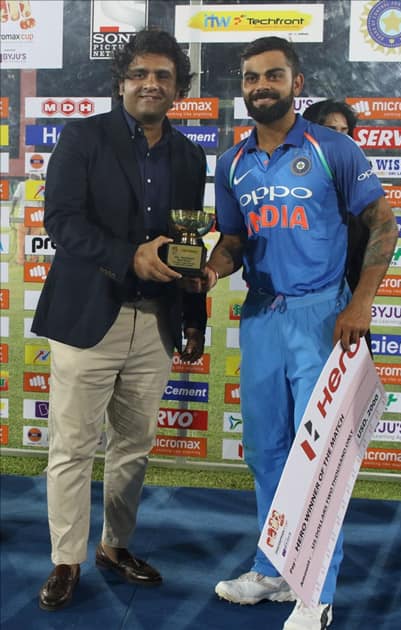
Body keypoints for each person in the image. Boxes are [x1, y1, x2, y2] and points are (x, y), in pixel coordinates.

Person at [188, 37, 398, 629]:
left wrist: (360, 303)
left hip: (321, 315)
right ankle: (273, 567)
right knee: (266, 453)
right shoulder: (232, 163)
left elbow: (383, 221)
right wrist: (208, 271)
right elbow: (232, 243)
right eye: (251, 77)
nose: (260, 86)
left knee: (318, 457)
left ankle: (315, 593)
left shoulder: (334, 149)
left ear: (296, 83)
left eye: (273, 75)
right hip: (260, 316)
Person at [32, 28, 207, 612]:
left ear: (178, 87)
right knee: (73, 448)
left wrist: (194, 314)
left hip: (155, 322)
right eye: (139, 74)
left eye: (162, 75)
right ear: (122, 82)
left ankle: (114, 546)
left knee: (134, 446)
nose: (150, 83)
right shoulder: (83, 138)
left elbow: (189, 244)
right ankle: (67, 560)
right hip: (88, 316)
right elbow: (60, 221)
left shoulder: (189, 153)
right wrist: (126, 256)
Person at [303, 99, 372, 354]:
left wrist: (359, 306)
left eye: (346, 133)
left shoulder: (361, 191)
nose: (342, 140)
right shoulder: (285, 188)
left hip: (345, 317)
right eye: (332, 131)